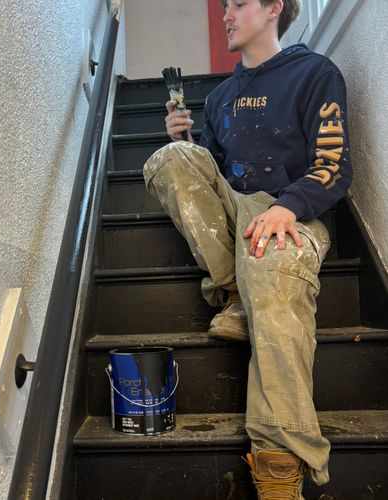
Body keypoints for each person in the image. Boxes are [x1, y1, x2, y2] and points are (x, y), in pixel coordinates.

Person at [143, 0, 352, 498]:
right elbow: (214, 173)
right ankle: (236, 291)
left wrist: (290, 206)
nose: (227, 15)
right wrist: (189, 141)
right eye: (224, 6)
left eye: (238, 4)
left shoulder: (315, 72)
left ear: (274, 7)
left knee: (272, 257)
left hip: (293, 217)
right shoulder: (220, 97)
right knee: (172, 157)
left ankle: (279, 469)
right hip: (241, 212)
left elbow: (334, 163)